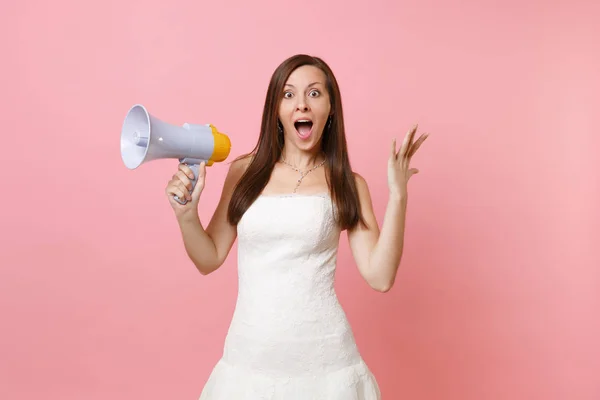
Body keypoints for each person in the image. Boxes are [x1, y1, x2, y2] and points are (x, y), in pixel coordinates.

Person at [165, 54, 428, 399]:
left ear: (331, 108)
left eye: (315, 94)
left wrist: (398, 196)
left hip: (326, 366)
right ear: (275, 109)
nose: (301, 104)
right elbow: (208, 257)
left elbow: (380, 277)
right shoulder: (244, 172)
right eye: (288, 95)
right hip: (250, 360)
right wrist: (186, 214)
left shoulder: (348, 183)